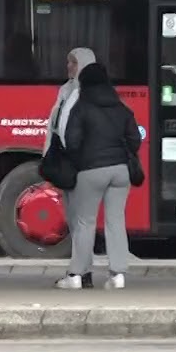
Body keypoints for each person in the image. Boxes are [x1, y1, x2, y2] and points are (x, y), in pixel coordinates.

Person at [57, 61, 142, 290]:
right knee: (115, 220)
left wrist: (81, 157)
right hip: (121, 171)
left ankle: (76, 275)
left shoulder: (82, 107)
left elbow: (72, 142)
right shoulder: (121, 108)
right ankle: (118, 275)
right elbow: (135, 140)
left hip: (91, 169)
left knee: (85, 222)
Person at [42, 47, 97, 288]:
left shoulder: (89, 93)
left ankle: (81, 273)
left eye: (73, 63)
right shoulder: (65, 91)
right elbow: (54, 128)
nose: (68, 67)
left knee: (82, 221)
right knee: (75, 221)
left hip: (81, 165)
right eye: (68, 62)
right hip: (65, 164)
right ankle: (82, 271)